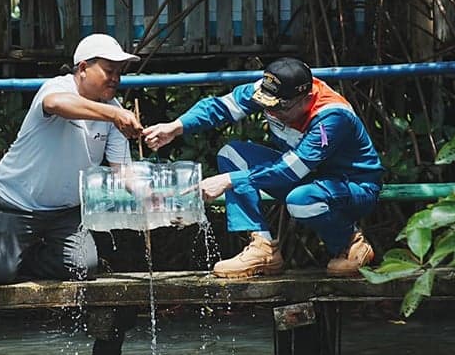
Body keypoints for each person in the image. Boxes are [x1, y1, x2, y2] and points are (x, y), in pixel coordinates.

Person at [0, 33, 144, 285]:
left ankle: (14, 258)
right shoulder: (59, 88)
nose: (116, 79)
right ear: (84, 68)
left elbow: (123, 172)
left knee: (82, 267)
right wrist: (112, 114)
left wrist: (153, 196)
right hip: (18, 200)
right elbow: (55, 104)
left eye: (120, 72)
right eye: (109, 71)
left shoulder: (115, 113)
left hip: (66, 210)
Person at [142, 57, 383, 277]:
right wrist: (176, 126)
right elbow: (221, 107)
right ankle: (263, 248)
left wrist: (229, 181)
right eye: (267, 106)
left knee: (301, 200)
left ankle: (349, 242)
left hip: (352, 186)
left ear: (306, 100)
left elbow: (292, 169)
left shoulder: (331, 117)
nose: (272, 112)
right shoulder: (270, 91)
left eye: (280, 107)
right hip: (309, 178)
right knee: (232, 154)